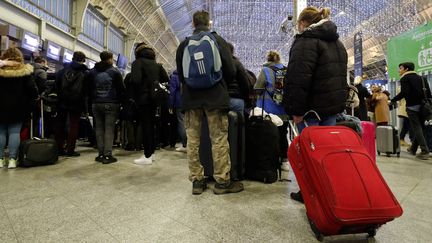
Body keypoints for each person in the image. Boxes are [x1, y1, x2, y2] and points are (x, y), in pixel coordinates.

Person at [282, 7, 348, 203]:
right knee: (327, 152)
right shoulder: (337, 43)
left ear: (303, 23)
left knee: (310, 153)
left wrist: (296, 110)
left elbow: (298, 79)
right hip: (331, 109)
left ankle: (310, 192)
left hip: (310, 111)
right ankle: (328, 191)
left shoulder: (305, 42)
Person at [176, 10, 244, 195]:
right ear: (209, 23)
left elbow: (181, 75)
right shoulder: (217, 40)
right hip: (215, 97)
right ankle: (222, 182)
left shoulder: (184, 45)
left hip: (191, 100)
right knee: (219, 139)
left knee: (193, 141)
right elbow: (231, 70)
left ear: (193, 23)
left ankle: (197, 181)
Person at [130, 45, 169, 165]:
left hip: (143, 98)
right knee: (151, 126)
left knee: (145, 126)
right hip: (154, 99)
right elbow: (166, 78)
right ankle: (151, 153)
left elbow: (136, 80)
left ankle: (147, 155)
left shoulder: (138, 62)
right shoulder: (157, 65)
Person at [0, 48, 38, 168]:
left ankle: (0, 160)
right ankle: (12, 159)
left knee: (0, 132)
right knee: (14, 132)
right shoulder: (25, 71)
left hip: (0, 105)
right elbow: (33, 90)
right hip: (18, 106)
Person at [88, 51, 126, 164]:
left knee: (98, 128)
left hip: (96, 103)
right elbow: (121, 89)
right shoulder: (115, 72)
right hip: (111, 103)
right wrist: (121, 102)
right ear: (110, 59)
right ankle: (108, 155)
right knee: (109, 129)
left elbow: (88, 89)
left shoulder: (92, 72)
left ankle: (100, 154)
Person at [255, 51, 289, 170]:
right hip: (284, 111)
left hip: (269, 112)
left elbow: (258, 88)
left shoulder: (265, 71)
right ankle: (284, 162)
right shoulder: (286, 70)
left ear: (268, 59)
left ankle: (272, 162)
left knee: (269, 136)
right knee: (283, 135)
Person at [391, 62, 431, 160]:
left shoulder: (405, 78)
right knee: (420, 128)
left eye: (400, 68)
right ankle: (413, 148)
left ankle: (424, 151)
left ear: (406, 69)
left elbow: (404, 92)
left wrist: (392, 100)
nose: (399, 70)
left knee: (417, 128)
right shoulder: (422, 78)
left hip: (412, 107)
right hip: (423, 107)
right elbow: (429, 93)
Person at [54, 51, 89, 157]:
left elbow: (56, 86)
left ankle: (59, 148)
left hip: (62, 101)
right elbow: (87, 90)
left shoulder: (62, 70)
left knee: (60, 125)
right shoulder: (86, 72)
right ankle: (70, 150)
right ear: (83, 60)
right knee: (74, 126)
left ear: (73, 58)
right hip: (77, 102)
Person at [227, 42, 251, 114]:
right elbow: (245, 83)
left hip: (220, 101)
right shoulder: (237, 63)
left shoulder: (217, 63)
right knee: (238, 123)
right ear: (232, 51)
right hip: (236, 99)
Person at [168, 70, 187, 152]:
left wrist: (170, 104)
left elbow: (172, 92)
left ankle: (185, 144)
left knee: (181, 122)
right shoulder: (187, 74)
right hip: (189, 102)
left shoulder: (175, 76)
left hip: (179, 102)